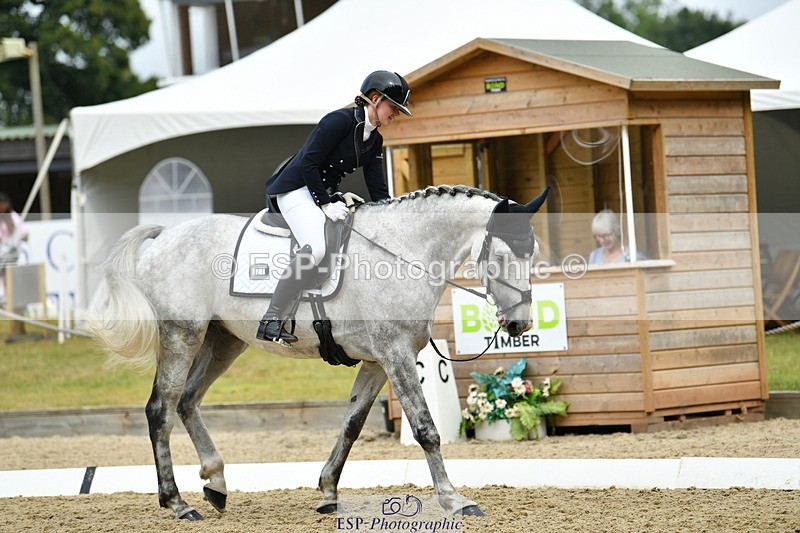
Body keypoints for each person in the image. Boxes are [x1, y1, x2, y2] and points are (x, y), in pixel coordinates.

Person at [256, 70, 412, 344]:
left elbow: (378, 190)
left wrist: (392, 220)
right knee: (315, 247)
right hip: (296, 189)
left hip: (322, 193)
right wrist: (325, 203)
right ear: (374, 99)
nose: (396, 114)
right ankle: (271, 320)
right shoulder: (337, 121)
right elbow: (308, 164)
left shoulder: (375, 139)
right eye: (394, 107)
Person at [0, 192, 29, 267]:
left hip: (12, 251)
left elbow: (25, 234)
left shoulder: (13, 216)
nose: (2, 207)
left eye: (3, 204)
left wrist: (18, 238)